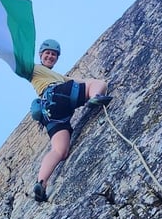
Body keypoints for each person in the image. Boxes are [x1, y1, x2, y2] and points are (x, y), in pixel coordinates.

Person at [30, 39, 112, 202]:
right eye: (47, 53)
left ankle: (41, 183)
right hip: (57, 95)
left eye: (54, 54)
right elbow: (18, 61)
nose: (50, 56)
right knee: (98, 83)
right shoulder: (33, 69)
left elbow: (77, 81)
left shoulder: (60, 76)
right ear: (40, 55)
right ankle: (95, 98)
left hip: (50, 113)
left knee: (60, 150)